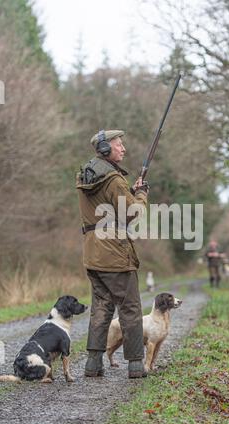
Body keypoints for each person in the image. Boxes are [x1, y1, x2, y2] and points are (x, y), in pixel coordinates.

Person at [76, 129, 149, 379]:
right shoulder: (114, 180)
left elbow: (108, 206)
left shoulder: (86, 176)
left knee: (101, 307)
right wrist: (140, 195)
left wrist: (129, 191)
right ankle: (136, 365)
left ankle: (93, 364)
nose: (124, 149)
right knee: (130, 308)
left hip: (92, 253)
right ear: (106, 149)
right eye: (119, 145)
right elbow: (132, 214)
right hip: (115, 253)